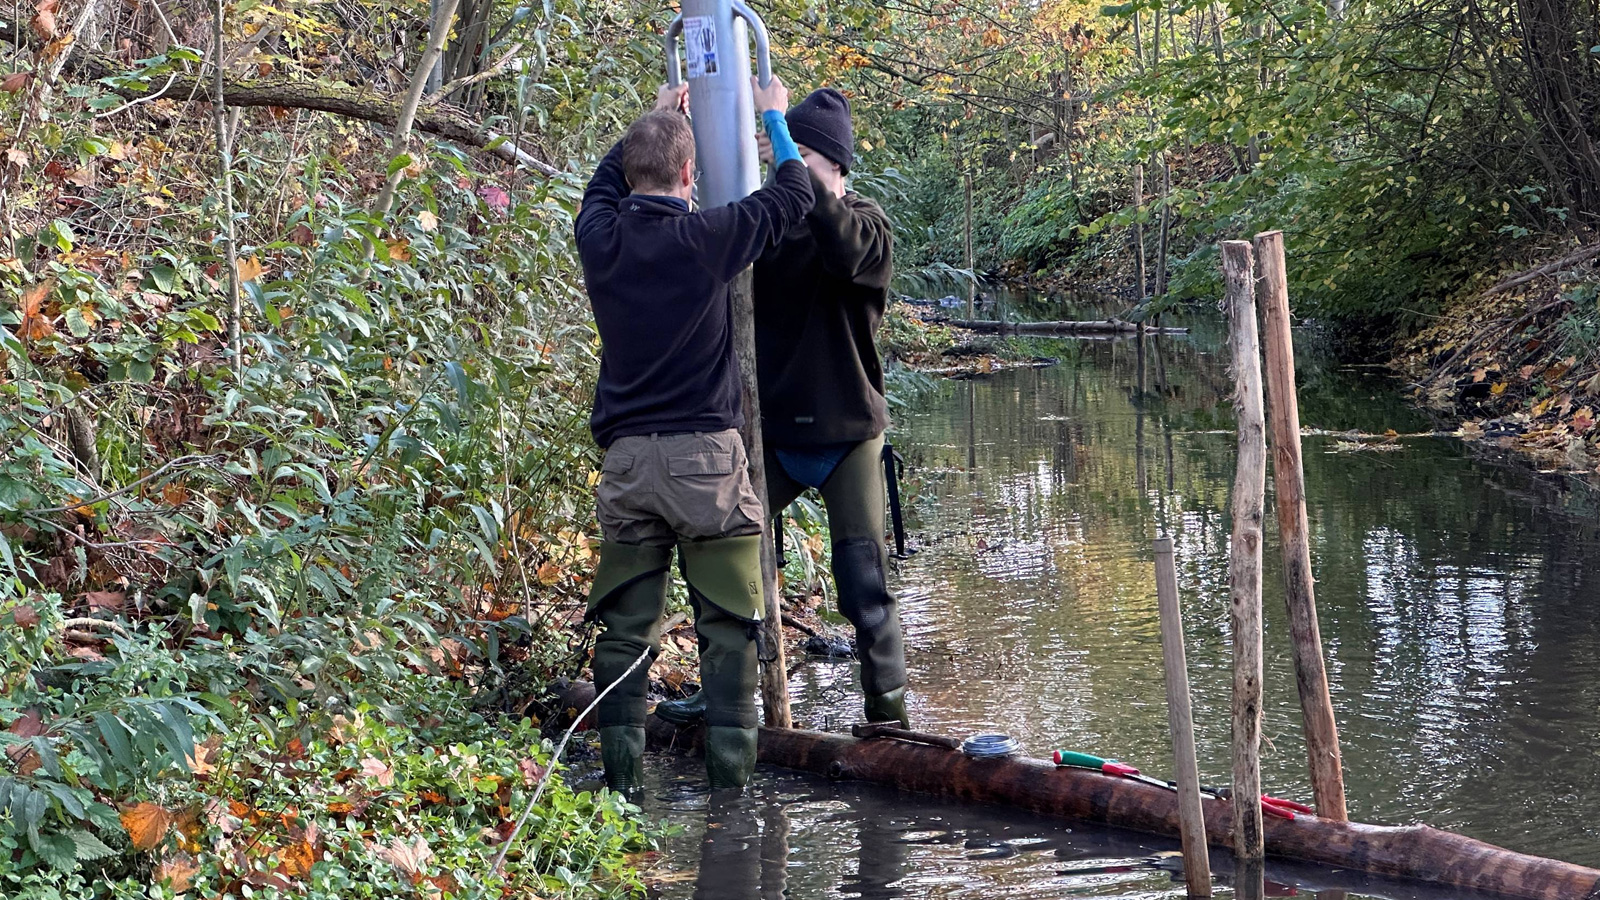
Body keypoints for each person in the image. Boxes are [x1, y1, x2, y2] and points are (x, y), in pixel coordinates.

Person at [576, 76, 814, 794]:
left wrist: (650, 117)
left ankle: (621, 792)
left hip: (627, 462)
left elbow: (600, 187)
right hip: (705, 459)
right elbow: (796, 193)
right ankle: (732, 798)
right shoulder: (708, 237)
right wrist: (774, 118)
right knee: (729, 623)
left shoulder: (600, 237)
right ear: (690, 176)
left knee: (624, 629)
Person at [658, 88, 909, 729]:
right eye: (778, 150)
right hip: (769, 431)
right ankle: (727, 696)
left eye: (796, 151)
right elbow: (697, 234)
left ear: (831, 161)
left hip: (848, 432)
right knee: (723, 562)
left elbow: (842, 245)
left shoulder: (867, 224)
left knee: (865, 585)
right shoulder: (767, 222)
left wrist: (783, 138)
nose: (782, 162)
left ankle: (887, 719)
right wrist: (679, 132)